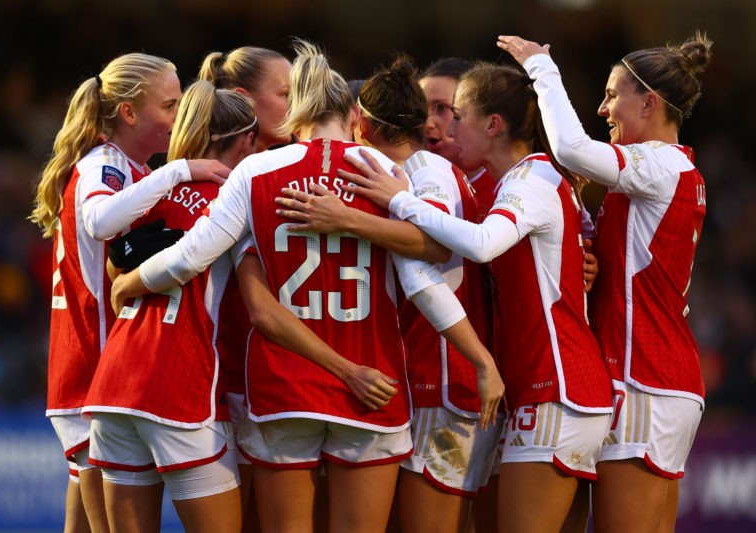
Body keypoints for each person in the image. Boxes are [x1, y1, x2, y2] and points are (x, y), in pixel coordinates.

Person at [109, 39, 502, 533]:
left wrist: (130, 282)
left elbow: (191, 256)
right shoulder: (384, 172)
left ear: (295, 113)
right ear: (355, 113)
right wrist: (481, 358)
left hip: (283, 388)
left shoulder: (255, 171)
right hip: (372, 383)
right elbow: (423, 272)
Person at [325, 61, 614, 533]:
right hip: (539, 389)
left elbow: (472, 244)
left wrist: (395, 202)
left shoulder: (526, 181)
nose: (441, 125)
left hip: (555, 387)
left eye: (453, 113)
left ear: (493, 124)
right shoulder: (499, 184)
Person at [276, 54, 502, 532]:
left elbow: (434, 252)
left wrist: (347, 219)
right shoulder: (402, 172)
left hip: (444, 380)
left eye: (452, 110)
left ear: (361, 121)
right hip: (415, 380)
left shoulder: (428, 171)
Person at [497, 32, 712, 533]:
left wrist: (541, 69)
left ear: (650, 102)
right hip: (662, 376)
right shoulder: (667, 172)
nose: (602, 108)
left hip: (645, 379)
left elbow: (571, 149)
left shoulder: (658, 164)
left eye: (613, 95)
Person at [29, 52, 227, 533]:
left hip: (90, 370)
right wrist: (179, 171)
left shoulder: (129, 167)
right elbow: (99, 221)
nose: (178, 118)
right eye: (169, 106)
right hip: (90, 366)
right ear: (129, 113)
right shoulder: (106, 164)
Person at [82, 82, 259, 533]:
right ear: (245, 141)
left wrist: (127, 284)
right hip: (178, 386)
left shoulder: (152, 189)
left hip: (115, 386)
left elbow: (113, 266)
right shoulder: (237, 200)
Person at [198, 46, 292, 151]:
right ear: (243, 99)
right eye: (286, 94)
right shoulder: (209, 166)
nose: (298, 104)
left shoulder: (284, 163)